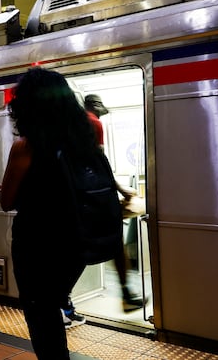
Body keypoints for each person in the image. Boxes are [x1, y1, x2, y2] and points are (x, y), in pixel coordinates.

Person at [0, 67, 98, 359]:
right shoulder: (83, 143)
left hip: (37, 246)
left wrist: (5, 190)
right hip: (76, 245)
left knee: (41, 316)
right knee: (53, 305)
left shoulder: (25, 148)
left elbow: (7, 201)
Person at [83, 94, 145, 312]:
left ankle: (64, 301)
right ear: (95, 106)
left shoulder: (74, 123)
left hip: (83, 194)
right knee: (114, 242)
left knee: (88, 245)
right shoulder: (94, 122)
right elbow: (101, 160)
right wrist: (120, 188)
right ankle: (127, 295)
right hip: (97, 194)